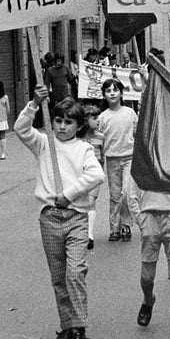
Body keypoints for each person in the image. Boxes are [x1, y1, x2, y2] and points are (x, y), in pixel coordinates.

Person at [15, 85, 104, 339]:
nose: (62, 126)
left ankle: (79, 328)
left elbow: (96, 175)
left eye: (69, 122)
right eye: (58, 121)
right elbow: (21, 129)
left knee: (75, 273)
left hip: (76, 217)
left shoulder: (84, 150)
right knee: (59, 276)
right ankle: (66, 325)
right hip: (50, 218)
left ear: (78, 126)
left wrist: (69, 193)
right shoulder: (44, 144)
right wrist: (33, 103)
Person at [129, 182, 170, 335]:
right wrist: (140, 219)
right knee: (147, 276)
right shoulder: (142, 161)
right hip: (149, 218)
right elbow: (132, 195)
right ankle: (148, 299)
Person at [96, 77, 137, 242]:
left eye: (115, 90)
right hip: (111, 160)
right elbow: (98, 141)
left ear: (121, 93)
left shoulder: (130, 113)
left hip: (129, 158)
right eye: (108, 91)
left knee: (127, 193)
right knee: (114, 195)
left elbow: (137, 134)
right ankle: (114, 228)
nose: (112, 93)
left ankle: (126, 224)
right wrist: (98, 161)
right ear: (104, 95)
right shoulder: (102, 117)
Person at [79, 104, 103, 249]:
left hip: (95, 176)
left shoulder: (101, 137)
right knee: (81, 202)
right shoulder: (78, 139)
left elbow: (103, 157)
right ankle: (80, 231)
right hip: (81, 175)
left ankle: (89, 234)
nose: (98, 121)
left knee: (91, 201)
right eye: (94, 118)